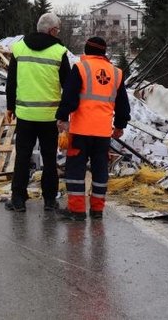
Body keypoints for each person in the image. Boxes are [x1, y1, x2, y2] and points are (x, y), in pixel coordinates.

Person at [55, 37, 130, 221]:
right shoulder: (116, 73)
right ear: (104, 52)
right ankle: (97, 210)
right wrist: (120, 125)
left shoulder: (81, 68)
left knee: (75, 170)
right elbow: (122, 104)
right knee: (100, 170)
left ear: (86, 50)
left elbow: (69, 97)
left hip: (80, 131)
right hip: (103, 133)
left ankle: (77, 211)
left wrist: (62, 117)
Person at [4, 13, 71, 212]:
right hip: (49, 117)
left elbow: (11, 82)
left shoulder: (19, 48)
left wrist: (10, 107)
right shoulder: (59, 51)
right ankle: (49, 200)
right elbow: (68, 86)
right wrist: (64, 114)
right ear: (52, 31)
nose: (58, 32)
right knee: (49, 159)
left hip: (25, 115)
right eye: (57, 29)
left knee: (22, 157)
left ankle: (18, 200)